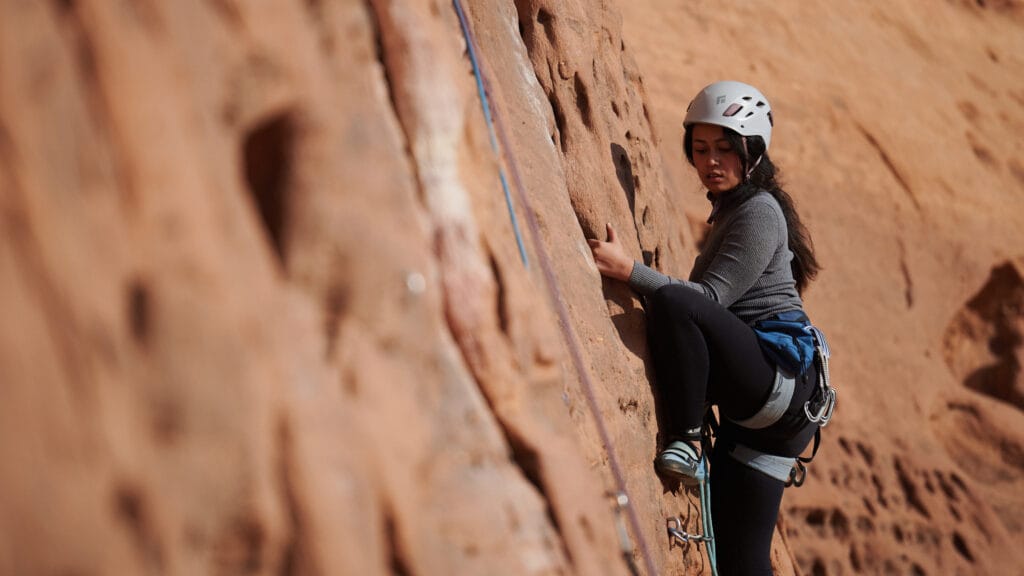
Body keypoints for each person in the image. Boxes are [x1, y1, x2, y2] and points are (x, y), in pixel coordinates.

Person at [588, 81, 832, 575]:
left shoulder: (759, 212)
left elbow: (705, 301)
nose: (710, 161)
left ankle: (687, 441)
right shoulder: (734, 212)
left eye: (724, 148)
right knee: (741, 564)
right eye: (699, 149)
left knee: (677, 301)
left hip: (779, 381)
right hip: (773, 418)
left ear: (753, 151)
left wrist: (628, 270)